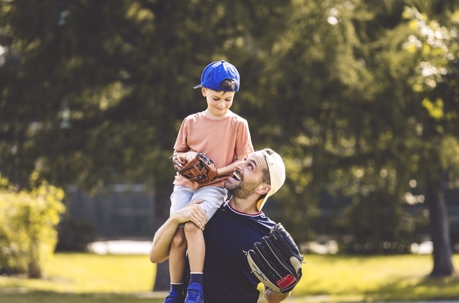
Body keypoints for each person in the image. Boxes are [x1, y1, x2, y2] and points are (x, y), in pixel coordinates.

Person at [150, 148, 292, 303]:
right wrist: (175, 218)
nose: (238, 165)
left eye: (250, 165)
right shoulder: (207, 210)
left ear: (263, 188)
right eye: (244, 160)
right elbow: (156, 255)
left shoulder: (268, 235)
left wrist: (286, 287)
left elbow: (271, 297)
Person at [166, 60, 254, 303]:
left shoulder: (238, 124)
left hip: (214, 188)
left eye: (228, 99)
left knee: (193, 225)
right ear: (204, 91)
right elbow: (178, 153)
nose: (222, 104)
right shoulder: (190, 122)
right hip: (184, 185)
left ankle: (196, 287)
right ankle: (174, 290)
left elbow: (243, 163)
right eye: (216, 98)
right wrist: (183, 159)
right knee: (177, 236)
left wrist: (216, 173)